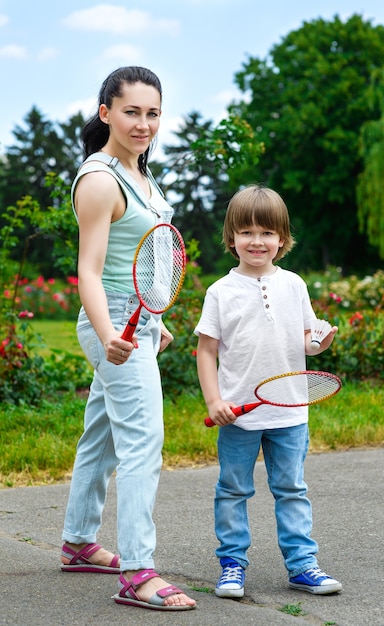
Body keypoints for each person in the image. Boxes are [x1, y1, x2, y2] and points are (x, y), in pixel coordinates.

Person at [60, 66, 196, 611]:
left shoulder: (141, 174)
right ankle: (140, 573)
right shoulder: (100, 180)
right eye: (132, 112)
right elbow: (89, 272)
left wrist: (155, 317)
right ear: (106, 113)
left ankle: (77, 541)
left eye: (153, 113)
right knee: (144, 444)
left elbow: (144, 256)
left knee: (104, 437)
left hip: (138, 320)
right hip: (113, 325)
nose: (144, 124)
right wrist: (109, 332)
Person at [194, 185, 342, 598]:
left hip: (291, 413)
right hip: (239, 415)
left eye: (266, 233)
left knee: (292, 489)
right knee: (233, 490)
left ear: (282, 239)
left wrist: (320, 343)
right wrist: (214, 400)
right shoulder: (220, 292)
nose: (256, 241)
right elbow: (206, 352)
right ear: (231, 238)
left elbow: (307, 339)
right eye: (246, 232)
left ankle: (302, 566)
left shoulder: (294, 285)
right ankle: (232, 565)